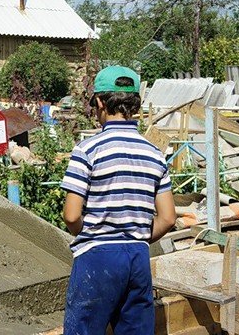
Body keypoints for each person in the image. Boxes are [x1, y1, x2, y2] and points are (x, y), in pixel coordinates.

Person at [60, 65, 176, 335]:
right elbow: (169, 218)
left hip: (97, 256)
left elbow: (71, 215)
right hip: (137, 257)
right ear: (136, 104)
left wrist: (90, 234)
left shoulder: (87, 150)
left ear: (100, 102)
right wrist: (137, 237)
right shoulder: (154, 154)